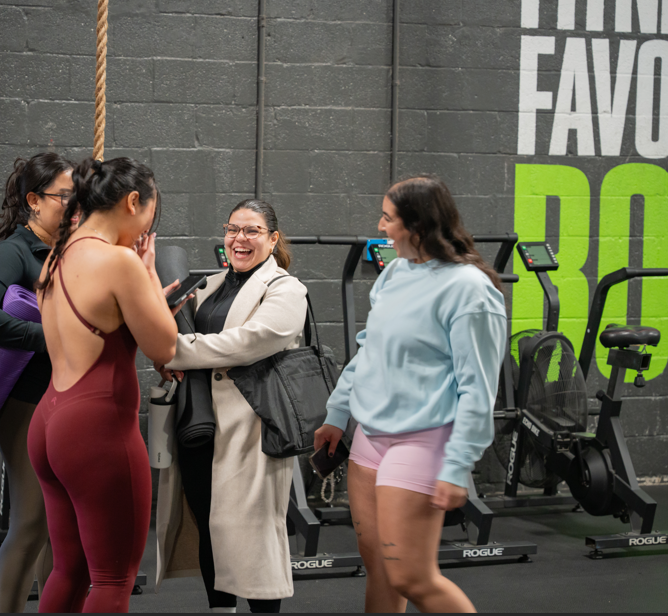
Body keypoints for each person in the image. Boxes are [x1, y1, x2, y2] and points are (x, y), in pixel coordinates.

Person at [314, 175, 507, 613]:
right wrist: (338, 413)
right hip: (370, 436)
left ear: (417, 226)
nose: (380, 227)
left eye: (387, 218)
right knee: (379, 568)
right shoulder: (397, 272)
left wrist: (458, 466)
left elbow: (478, 389)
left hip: (424, 438)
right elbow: (370, 350)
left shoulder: (469, 290)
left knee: (411, 576)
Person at [28, 157, 182, 613]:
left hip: (50, 420)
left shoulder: (55, 257)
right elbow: (165, 347)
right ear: (133, 201)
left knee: (68, 570)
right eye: (151, 214)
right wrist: (149, 275)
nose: (147, 227)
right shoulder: (120, 262)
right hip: (96, 431)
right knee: (113, 580)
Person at [155, 200, 308, 613]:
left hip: (253, 430)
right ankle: (220, 609)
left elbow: (248, 342)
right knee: (210, 527)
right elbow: (165, 323)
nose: (240, 239)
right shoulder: (207, 286)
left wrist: (175, 350)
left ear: (273, 239)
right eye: (232, 229)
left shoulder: (286, 289)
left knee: (257, 536)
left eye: (252, 230)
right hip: (201, 426)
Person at [0, 152, 76, 613]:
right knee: (33, 520)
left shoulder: (69, 249)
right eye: (64, 196)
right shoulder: (15, 250)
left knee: (62, 524)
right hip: (25, 404)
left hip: (64, 402)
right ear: (34, 200)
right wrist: (46, 337)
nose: (74, 204)